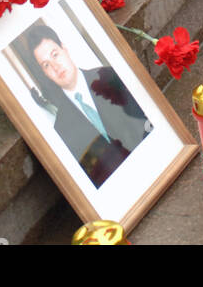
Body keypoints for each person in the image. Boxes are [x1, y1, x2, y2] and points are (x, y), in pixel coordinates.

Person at [23, 22, 148, 187]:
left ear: (64, 49)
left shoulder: (109, 77)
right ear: (45, 74)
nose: (55, 66)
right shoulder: (61, 129)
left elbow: (146, 123)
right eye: (46, 65)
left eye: (55, 54)